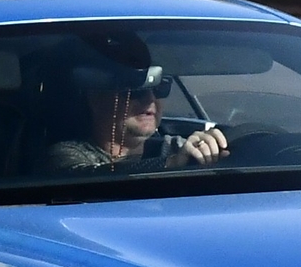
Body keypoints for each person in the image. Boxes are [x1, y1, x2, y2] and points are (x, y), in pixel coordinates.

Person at [44, 32, 230, 173]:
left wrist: (216, 148)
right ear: (95, 98)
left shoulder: (175, 147)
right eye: (134, 90)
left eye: (160, 87)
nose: (150, 99)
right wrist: (170, 165)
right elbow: (91, 181)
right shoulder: (65, 155)